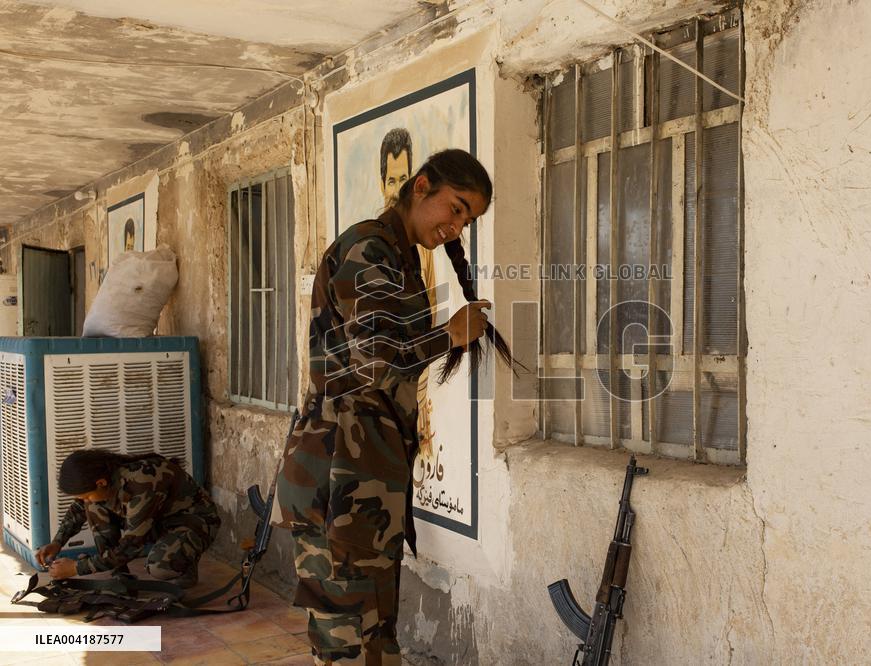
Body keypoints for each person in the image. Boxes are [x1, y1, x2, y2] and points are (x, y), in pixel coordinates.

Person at [274, 148, 517, 665]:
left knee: (376, 634)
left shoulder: (402, 256)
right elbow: (373, 363)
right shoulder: (369, 249)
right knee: (344, 639)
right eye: (456, 208)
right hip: (337, 473)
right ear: (422, 186)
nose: (457, 226)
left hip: (368, 474)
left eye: (467, 220)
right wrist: (448, 336)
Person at [34, 449, 220, 588]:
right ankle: (119, 573)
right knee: (93, 505)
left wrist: (77, 568)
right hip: (157, 521)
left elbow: (130, 547)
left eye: (84, 495)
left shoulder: (142, 484)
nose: (83, 501)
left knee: (160, 567)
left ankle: (184, 564)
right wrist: (57, 543)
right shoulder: (108, 477)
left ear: (100, 483)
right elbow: (78, 509)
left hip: (194, 522)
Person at [377, 128, 438, 459]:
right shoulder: (368, 247)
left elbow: (429, 310)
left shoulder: (422, 248)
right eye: (391, 181)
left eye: (404, 181)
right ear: (381, 183)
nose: (396, 191)